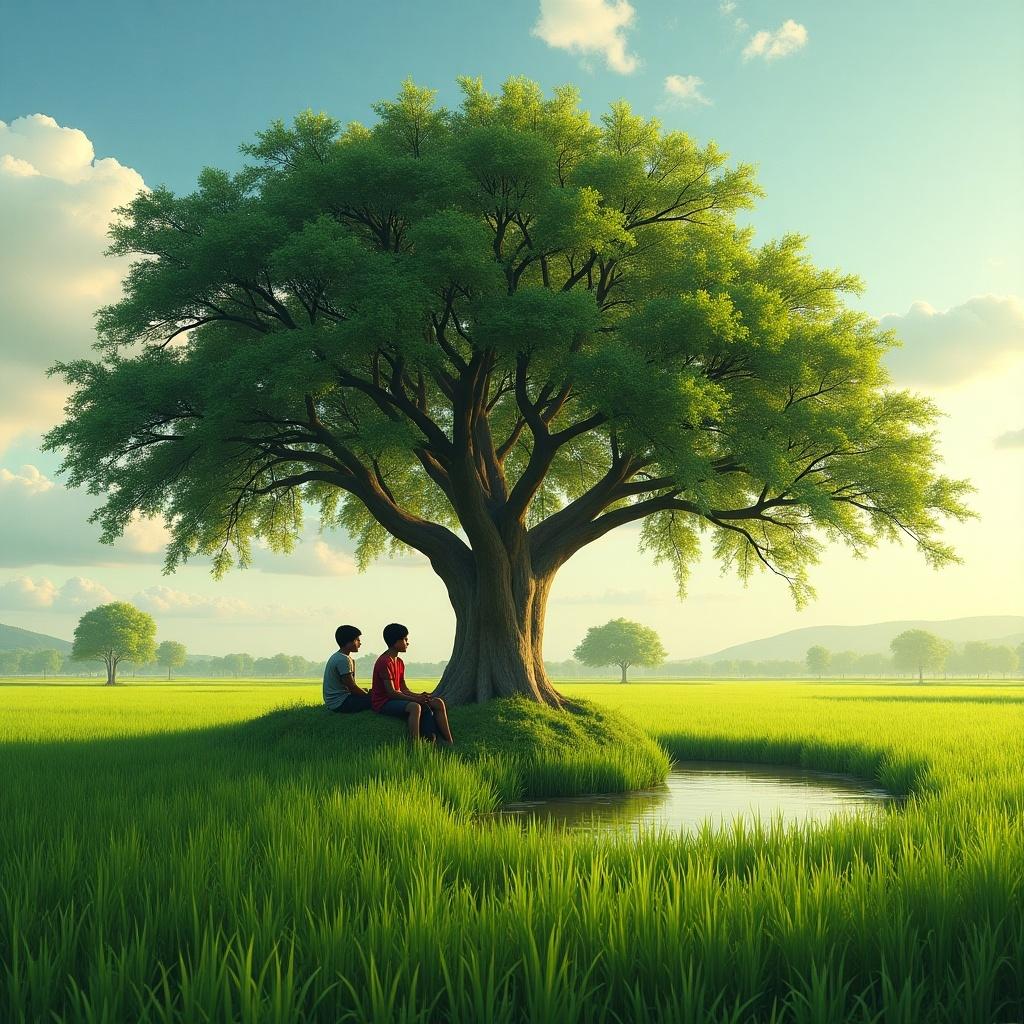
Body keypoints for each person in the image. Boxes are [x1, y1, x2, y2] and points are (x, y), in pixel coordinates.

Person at [370, 623, 455, 745]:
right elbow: (392, 693)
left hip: (396, 698)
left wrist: (419, 696)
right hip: (384, 702)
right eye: (405, 639)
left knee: (437, 702)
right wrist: (416, 700)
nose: (407, 643)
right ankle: (415, 745)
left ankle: (448, 741)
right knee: (415, 707)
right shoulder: (384, 662)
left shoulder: (399, 662)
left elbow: (403, 688)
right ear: (396, 642)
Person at [323, 625, 373, 714]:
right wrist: (367, 695)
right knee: (378, 699)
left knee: (368, 692)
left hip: (335, 702)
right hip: (341, 703)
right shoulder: (343, 659)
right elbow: (352, 687)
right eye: (357, 640)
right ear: (348, 642)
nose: (360, 643)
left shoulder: (338, 656)